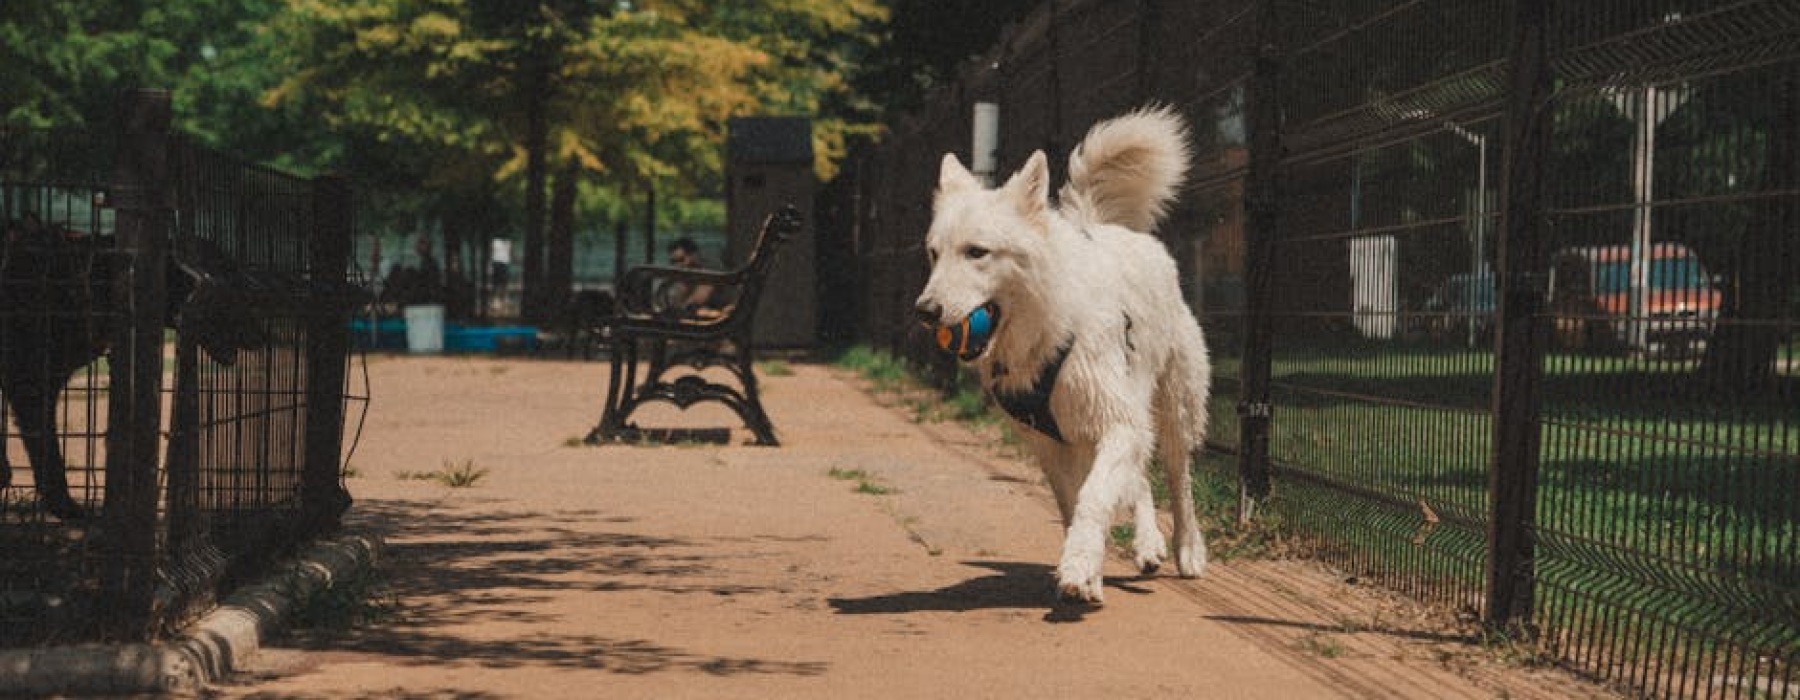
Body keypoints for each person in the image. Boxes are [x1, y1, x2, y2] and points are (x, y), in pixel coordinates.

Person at [661, 237, 729, 319]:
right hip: (698, 312)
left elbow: (699, 297)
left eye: (681, 260)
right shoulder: (681, 272)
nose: (677, 265)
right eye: (673, 262)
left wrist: (681, 308)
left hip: (722, 312)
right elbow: (667, 297)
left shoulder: (710, 267)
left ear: (693, 255)